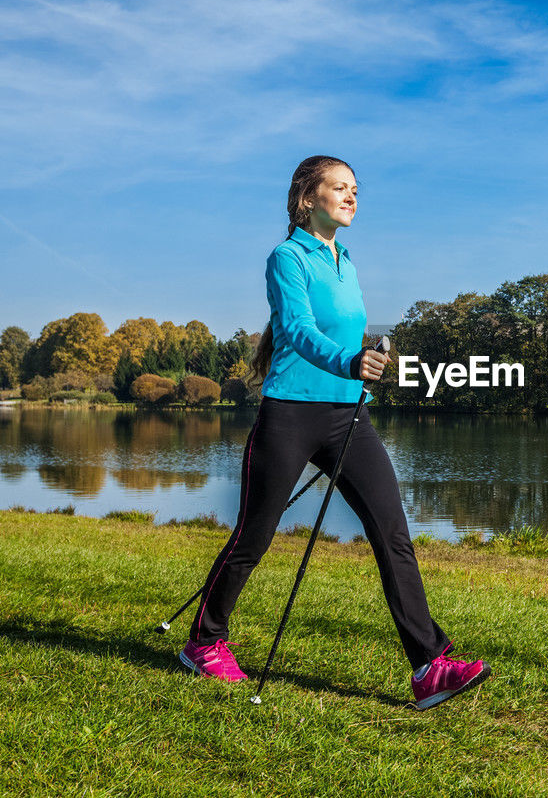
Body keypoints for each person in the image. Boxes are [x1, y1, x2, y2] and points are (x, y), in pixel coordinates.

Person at [178, 155, 489, 711]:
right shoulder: (287, 257)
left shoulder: (345, 259)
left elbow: (349, 335)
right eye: (338, 188)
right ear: (307, 198)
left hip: (349, 416)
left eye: (354, 190)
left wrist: (366, 365)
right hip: (290, 415)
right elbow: (295, 330)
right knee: (253, 538)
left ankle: (429, 666)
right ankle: (204, 641)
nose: (351, 197)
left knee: (392, 533)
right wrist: (350, 361)